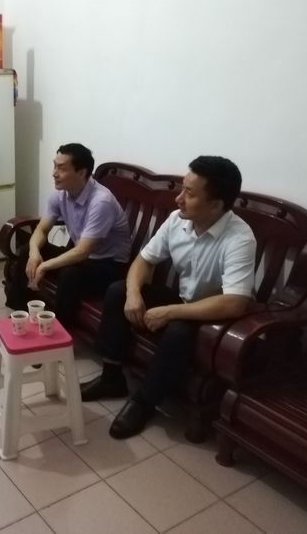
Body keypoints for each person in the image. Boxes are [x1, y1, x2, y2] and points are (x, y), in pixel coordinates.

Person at [80, 156, 257, 439]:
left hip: (213, 316)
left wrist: (170, 312)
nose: (178, 199)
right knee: (118, 291)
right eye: (182, 189)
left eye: (189, 193)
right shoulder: (177, 220)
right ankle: (111, 377)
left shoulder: (239, 238)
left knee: (177, 331)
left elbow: (235, 302)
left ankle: (144, 401)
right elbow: (144, 260)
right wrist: (134, 294)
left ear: (216, 205)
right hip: (183, 299)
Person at [4, 143, 132, 328]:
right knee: (26, 252)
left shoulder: (101, 202)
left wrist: (45, 265)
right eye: (54, 166)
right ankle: (22, 315)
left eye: (62, 168)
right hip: (82, 259)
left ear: (81, 172)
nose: (54, 173)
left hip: (109, 266)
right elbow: (42, 229)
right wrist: (34, 253)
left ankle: (60, 329)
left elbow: (82, 251)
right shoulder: (60, 194)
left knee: (69, 273)